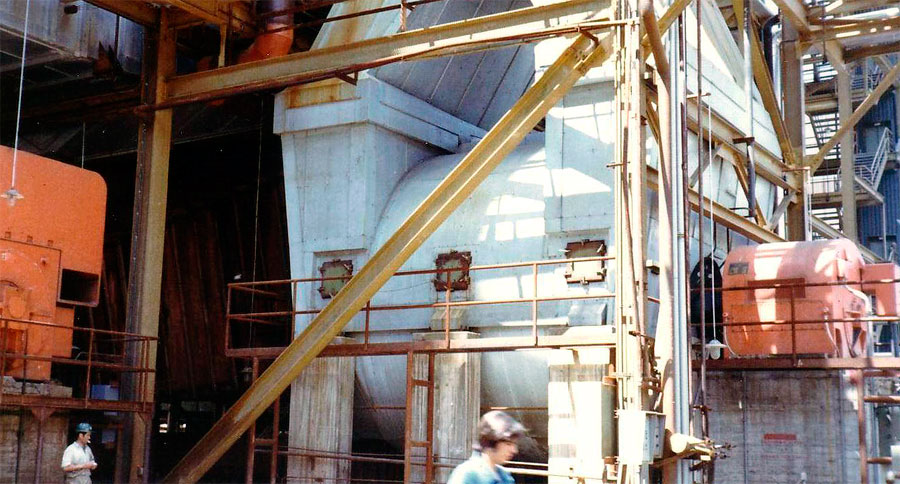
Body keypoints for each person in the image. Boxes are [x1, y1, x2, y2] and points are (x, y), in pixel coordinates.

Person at [447, 411, 525, 484]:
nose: (514, 450)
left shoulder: (505, 476)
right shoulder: (467, 474)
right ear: (491, 441)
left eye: (514, 444)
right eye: (508, 444)